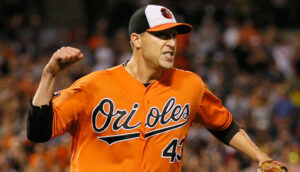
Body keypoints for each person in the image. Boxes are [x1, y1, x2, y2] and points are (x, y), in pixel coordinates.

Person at [27, 4, 287, 172]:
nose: (171, 43)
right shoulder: (93, 86)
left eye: (174, 36)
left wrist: (260, 157)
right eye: (161, 35)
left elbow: (224, 125)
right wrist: (49, 75)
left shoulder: (190, 85)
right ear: (136, 40)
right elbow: (38, 132)